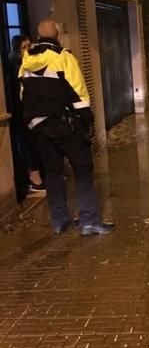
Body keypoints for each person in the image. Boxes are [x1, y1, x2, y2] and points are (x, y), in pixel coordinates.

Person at [19, 20, 114, 236]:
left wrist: (32, 122)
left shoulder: (26, 60)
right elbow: (79, 92)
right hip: (65, 125)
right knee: (82, 170)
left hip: (40, 127)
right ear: (58, 35)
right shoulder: (64, 57)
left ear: (38, 35)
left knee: (52, 173)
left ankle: (59, 221)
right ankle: (89, 221)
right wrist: (85, 121)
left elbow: (23, 96)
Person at [7, 35, 45, 197]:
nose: (28, 50)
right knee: (26, 145)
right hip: (20, 113)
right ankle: (35, 180)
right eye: (24, 47)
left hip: (28, 112)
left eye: (29, 46)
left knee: (30, 144)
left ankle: (37, 180)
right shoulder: (16, 65)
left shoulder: (27, 64)